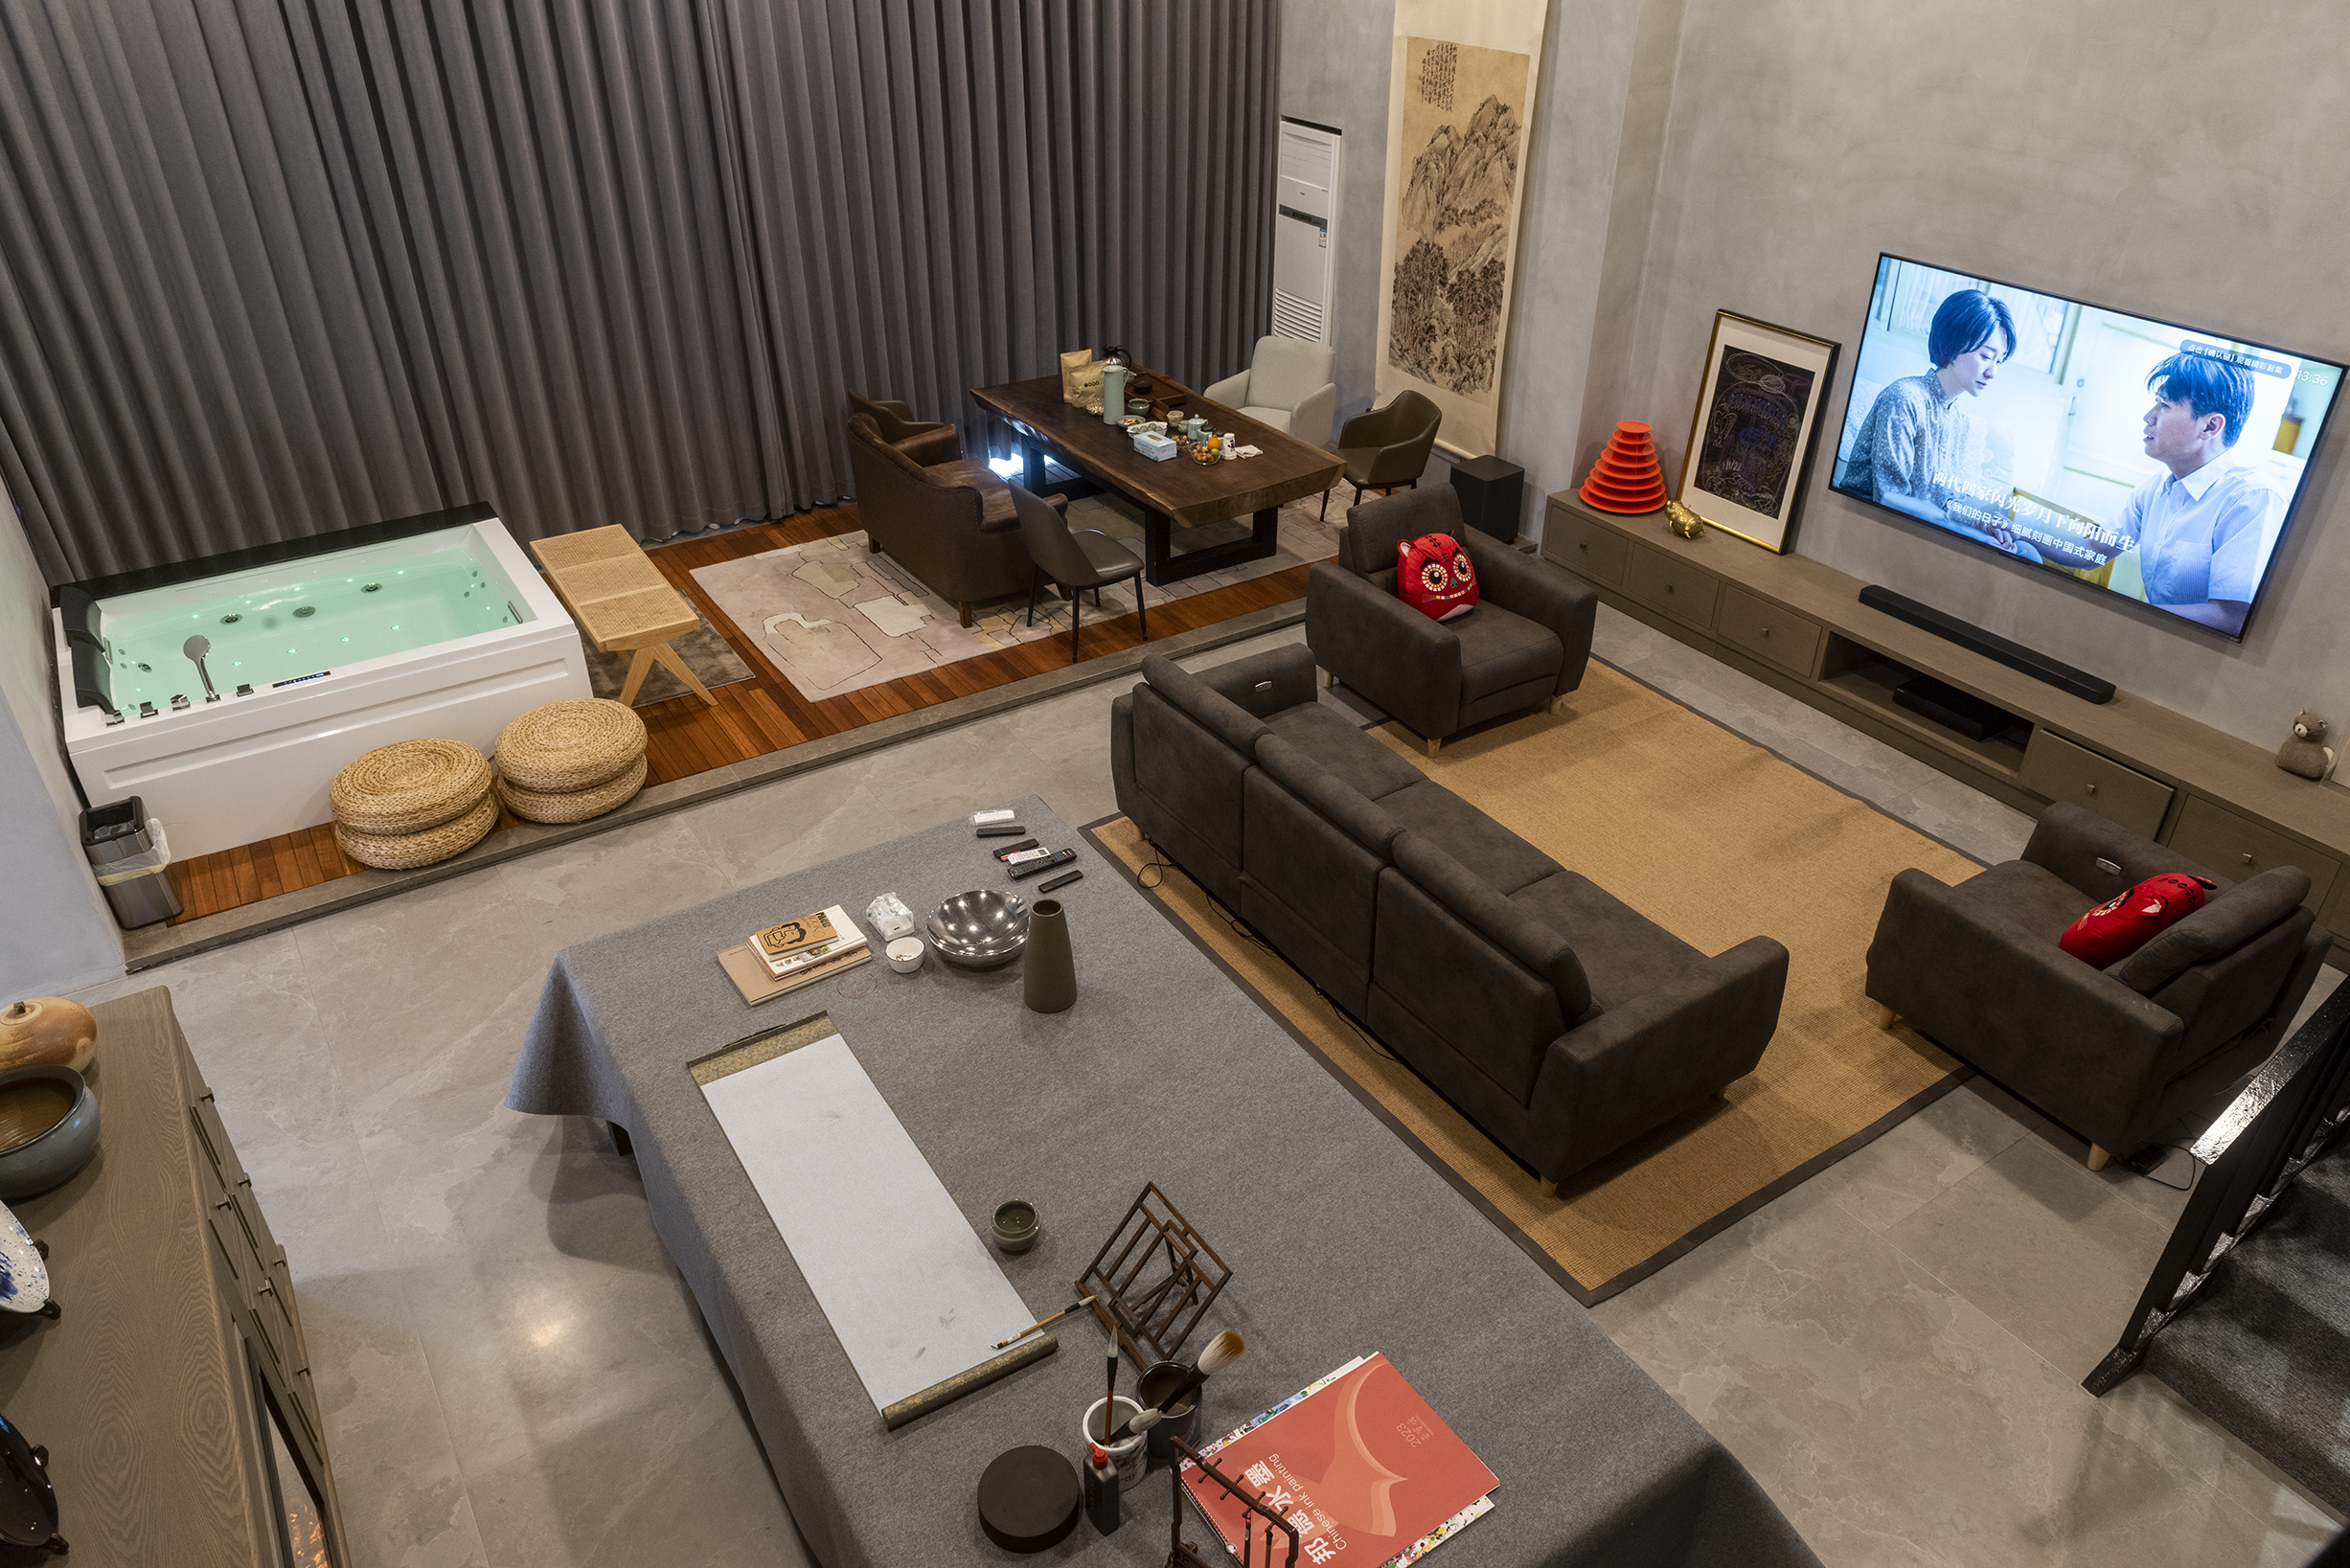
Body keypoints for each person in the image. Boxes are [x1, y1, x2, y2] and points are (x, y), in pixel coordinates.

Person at [2100, 353, 2272, 636]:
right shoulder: (2156, 488)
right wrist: (2023, 531)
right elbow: (2094, 550)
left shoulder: (2251, 498)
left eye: (2165, 405)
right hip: (2150, 637)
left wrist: (2122, 618)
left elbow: (2231, 617)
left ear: (2210, 426)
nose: (2149, 416)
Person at [1841, 289, 2024, 548]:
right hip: (1868, 531)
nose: (1992, 372)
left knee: (2023, 549)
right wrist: (1967, 533)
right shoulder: (1904, 398)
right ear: (1955, 344)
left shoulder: (1958, 421)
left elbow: (1945, 501)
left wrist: (1979, 522)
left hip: (1916, 535)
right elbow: (1891, 499)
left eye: (1999, 361)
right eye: (1986, 356)